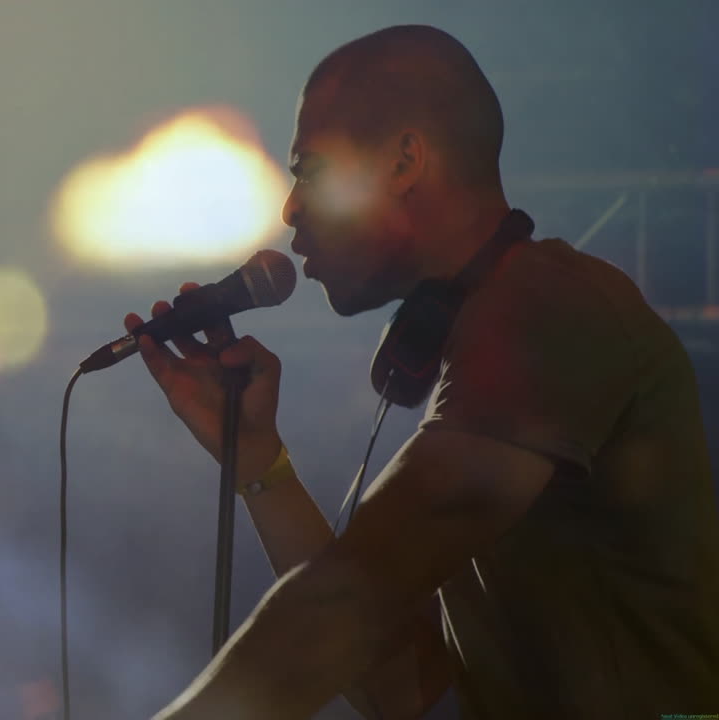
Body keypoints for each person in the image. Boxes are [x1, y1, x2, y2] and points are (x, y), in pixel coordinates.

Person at [127, 25, 719, 719]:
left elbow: (348, 600)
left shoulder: (549, 307)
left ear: (405, 160)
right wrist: (263, 463)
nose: (289, 208)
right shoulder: (485, 331)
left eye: (310, 170)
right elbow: (397, 685)